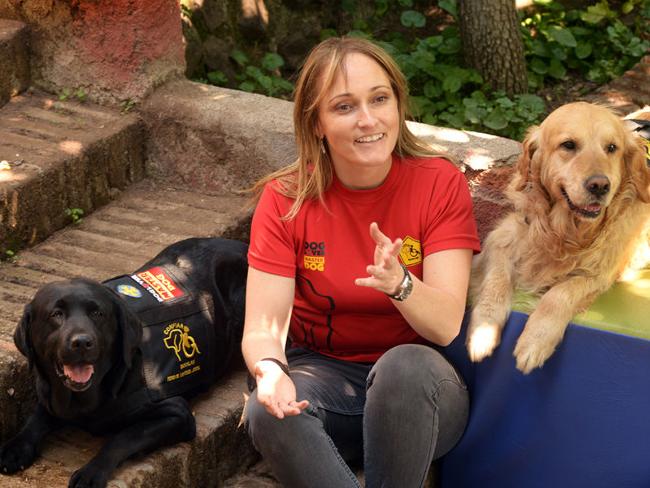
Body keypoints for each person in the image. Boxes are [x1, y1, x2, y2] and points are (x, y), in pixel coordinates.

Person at [242, 36, 480, 488]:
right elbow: (261, 329)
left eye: (379, 99)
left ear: (398, 104)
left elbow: (446, 325)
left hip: (420, 397)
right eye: (345, 107)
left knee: (403, 367)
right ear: (316, 123)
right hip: (324, 384)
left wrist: (400, 284)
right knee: (265, 408)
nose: (368, 120)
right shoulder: (286, 199)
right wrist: (270, 371)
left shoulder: (438, 183)